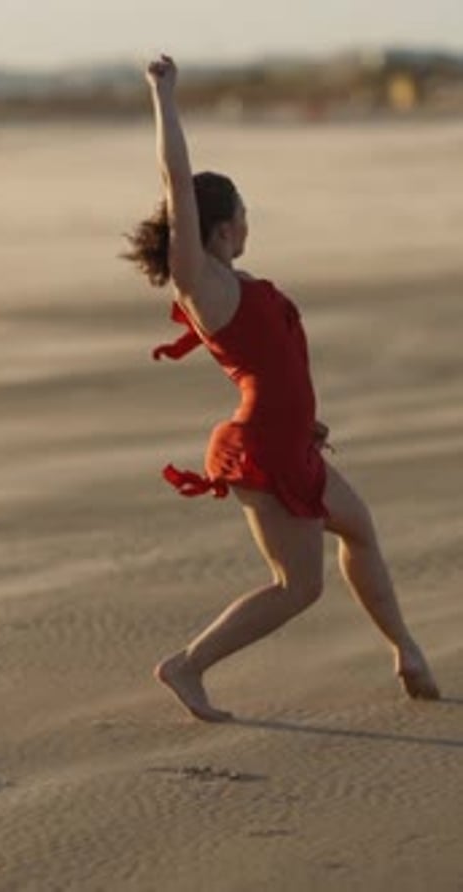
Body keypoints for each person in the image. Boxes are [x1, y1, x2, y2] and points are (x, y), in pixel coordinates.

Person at [125, 54, 440, 722]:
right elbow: (176, 179)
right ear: (220, 226)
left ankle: (407, 650)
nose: (248, 222)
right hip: (261, 449)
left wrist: (307, 422)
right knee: (297, 587)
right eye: (242, 213)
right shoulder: (202, 283)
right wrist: (165, 94)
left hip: (290, 438)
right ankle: (187, 665)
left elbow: (279, 366)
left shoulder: (236, 282)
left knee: (360, 529)